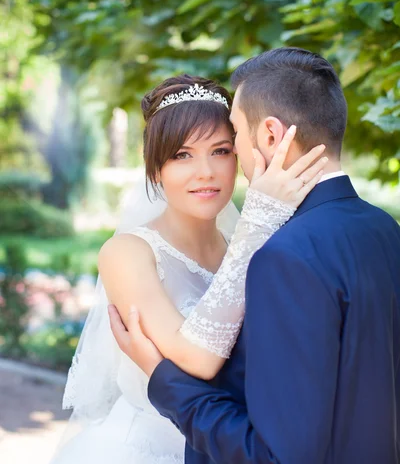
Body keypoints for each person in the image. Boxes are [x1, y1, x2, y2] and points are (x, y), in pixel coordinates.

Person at [110, 48, 400, 464]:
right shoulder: (385, 229)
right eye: (182, 155)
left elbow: (279, 453)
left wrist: (160, 375)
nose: (207, 171)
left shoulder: (282, 254)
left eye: (229, 144)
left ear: (268, 136)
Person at [51, 73, 325, 464]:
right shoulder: (127, 253)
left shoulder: (243, 245)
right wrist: (259, 222)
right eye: (182, 155)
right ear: (155, 169)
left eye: (220, 151)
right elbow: (196, 360)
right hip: (142, 450)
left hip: (227, 446)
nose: (206, 173)